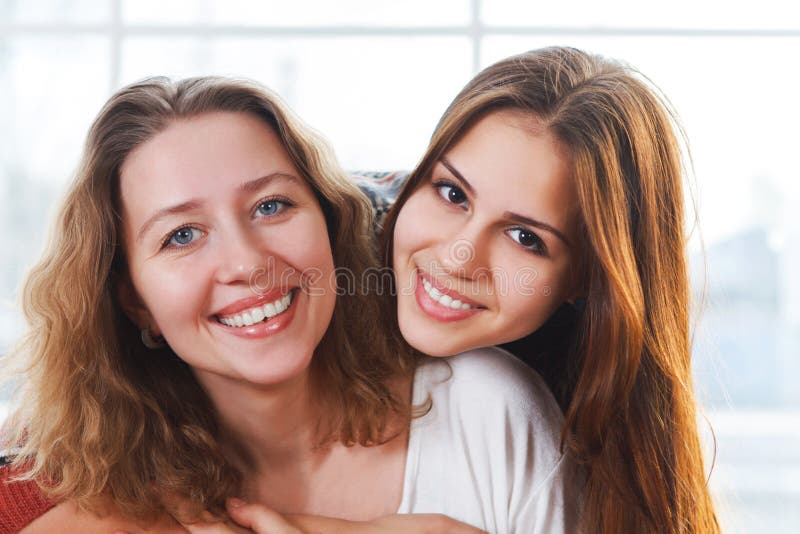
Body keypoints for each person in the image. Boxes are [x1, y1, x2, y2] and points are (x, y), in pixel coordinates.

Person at [0, 76, 574, 534]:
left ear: (331, 226)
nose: (247, 263)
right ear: (133, 302)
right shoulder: (75, 500)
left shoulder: (489, 410)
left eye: (271, 206)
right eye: (181, 235)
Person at [374, 46, 721, 533]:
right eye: (453, 194)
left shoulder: (534, 430)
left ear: (588, 279)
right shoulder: (307, 266)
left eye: (525, 238)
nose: (459, 258)